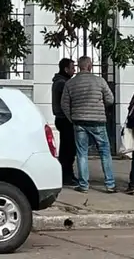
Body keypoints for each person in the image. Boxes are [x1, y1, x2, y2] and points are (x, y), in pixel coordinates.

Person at [61, 55, 116, 193]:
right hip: (98, 121)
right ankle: (110, 184)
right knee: (104, 152)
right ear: (90, 66)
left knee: (82, 153)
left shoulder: (70, 83)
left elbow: (64, 104)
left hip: (79, 121)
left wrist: (71, 118)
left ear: (79, 67)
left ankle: (84, 185)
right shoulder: (100, 81)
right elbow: (110, 99)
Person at [51, 58, 77, 186]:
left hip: (62, 118)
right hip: (65, 119)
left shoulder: (61, 81)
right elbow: (66, 102)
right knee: (68, 150)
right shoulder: (63, 83)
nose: (74, 70)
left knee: (68, 149)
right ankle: (66, 175)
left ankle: (67, 174)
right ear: (66, 69)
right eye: (72, 68)